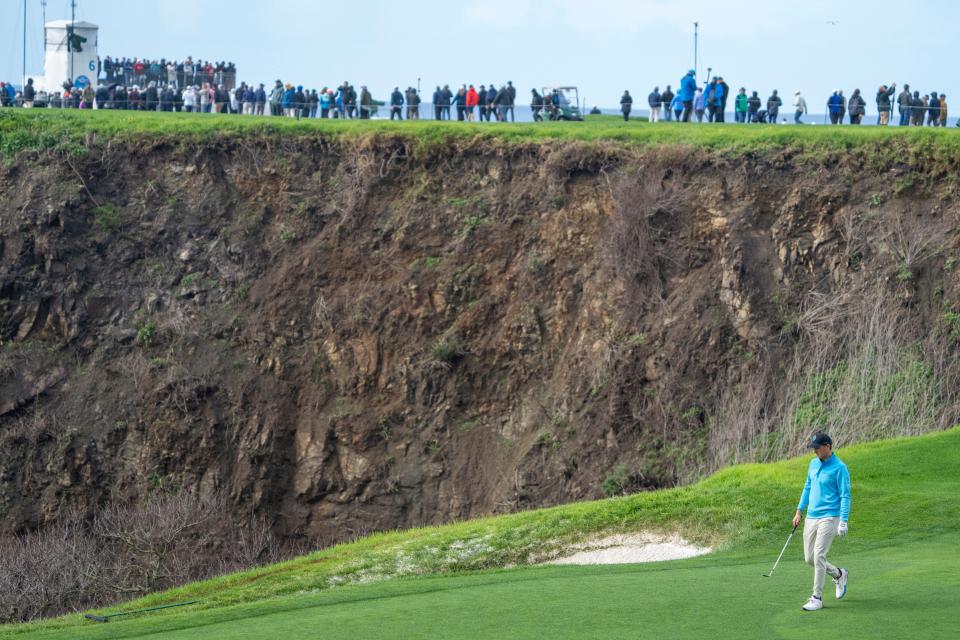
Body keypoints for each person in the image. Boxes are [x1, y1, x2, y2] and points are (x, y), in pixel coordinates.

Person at [792, 432, 850, 612]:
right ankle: (839, 574)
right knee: (810, 558)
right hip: (812, 516)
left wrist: (843, 521)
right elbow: (808, 486)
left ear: (828, 446)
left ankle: (816, 598)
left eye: (817, 447)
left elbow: (845, 495)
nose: (815, 451)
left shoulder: (840, 468)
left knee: (819, 555)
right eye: (813, 448)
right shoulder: (813, 464)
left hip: (830, 516)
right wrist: (799, 511)